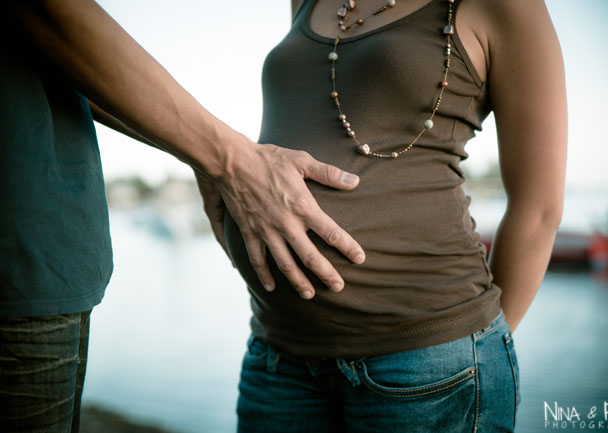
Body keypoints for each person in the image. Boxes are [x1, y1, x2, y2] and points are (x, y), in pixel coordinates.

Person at [0, 1, 366, 431]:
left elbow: (66, 61)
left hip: (45, 254)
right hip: (21, 256)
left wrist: (203, 154)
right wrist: (230, 160)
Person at [224, 0, 567, 432]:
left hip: (428, 362)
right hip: (277, 356)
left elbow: (538, 209)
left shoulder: (503, 6)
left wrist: (470, 349)